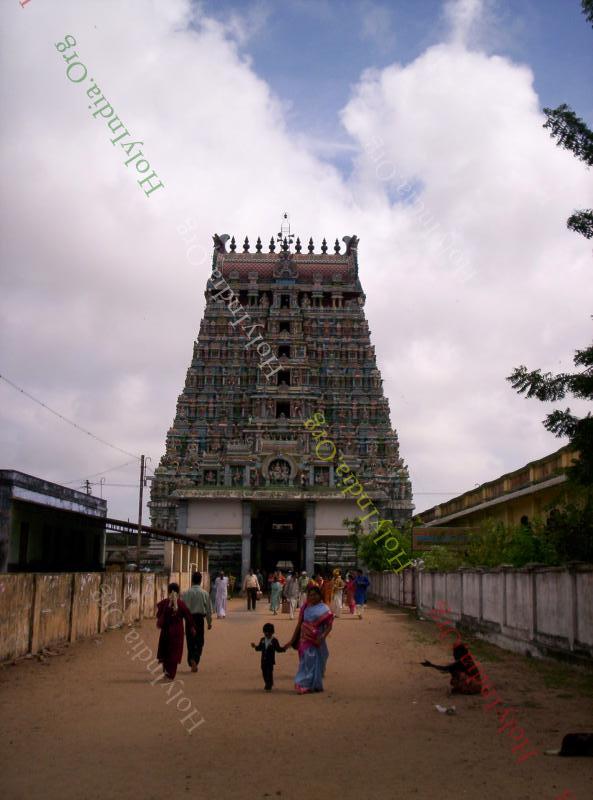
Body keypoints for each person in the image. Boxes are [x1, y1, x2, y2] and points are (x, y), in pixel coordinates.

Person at [284, 585, 334, 694]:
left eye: (315, 595)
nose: (313, 597)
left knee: (318, 661)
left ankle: (314, 684)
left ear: (319, 595)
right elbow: (299, 624)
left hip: (317, 639)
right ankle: (303, 684)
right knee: (307, 661)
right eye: (310, 595)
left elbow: (329, 626)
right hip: (305, 639)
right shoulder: (305, 607)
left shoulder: (324, 609)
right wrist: (292, 641)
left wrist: (322, 637)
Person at [156, 582, 195, 680]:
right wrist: (192, 628)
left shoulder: (164, 603)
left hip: (165, 632)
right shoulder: (181, 604)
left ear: (168, 591)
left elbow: (158, 615)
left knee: (165, 652)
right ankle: (171, 674)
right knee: (174, 653)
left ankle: (166, 673)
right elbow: (188, 616)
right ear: (178, 592)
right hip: (177, 632)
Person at [181, 572, 212, 673]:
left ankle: (191, 660)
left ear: (192, 580)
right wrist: (209, 622)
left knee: (190, 641)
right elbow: (208, 610)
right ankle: (195, 658)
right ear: (200, 581)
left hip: (189, 620)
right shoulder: (204, 593)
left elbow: (182, 608)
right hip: (199, 620)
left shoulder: (186, 593)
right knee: (199, 641)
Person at [251, 622, 287, 691]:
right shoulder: (262, 640)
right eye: (265, 633)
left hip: (270, 661)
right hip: (263, 660)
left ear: (272, 633)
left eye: (268, 633)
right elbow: (260, 648)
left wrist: (284, 649)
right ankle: (267, 683)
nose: (267, 634)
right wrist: (255, 646)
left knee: (269, 672)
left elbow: (278, 649)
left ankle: (269, 684)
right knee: (264, 672)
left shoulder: (274, 641)